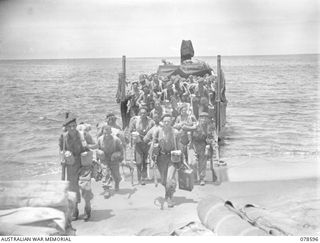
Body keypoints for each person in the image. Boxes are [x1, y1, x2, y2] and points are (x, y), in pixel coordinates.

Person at [59, 114, 94, 221]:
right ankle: (75, 209)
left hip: (84, 164)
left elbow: (96, 145)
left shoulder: (84, 135)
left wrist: (87, 146)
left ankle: (87, 205)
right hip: (71, 165)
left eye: (74, 125)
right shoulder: (63, 137)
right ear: (66, 128)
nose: (73, 128)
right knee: (73, 189)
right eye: (70, 127)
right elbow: (61, 150)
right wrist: (64, 156)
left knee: (86, 187)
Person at [152, 114, 181, 207]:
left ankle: (169, 197)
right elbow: (153, 146)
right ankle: (168, 191)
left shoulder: (175, 132)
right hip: (161, 158)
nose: (166, 123)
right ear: (162, 122)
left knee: (169, 179)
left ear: (171, 122)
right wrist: (153, 158)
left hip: (172, 157)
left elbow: (179, 147)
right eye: (164, 121)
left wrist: (182, 160)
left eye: (168, 121)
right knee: (164, 181)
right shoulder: (157, 132)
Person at [182, 112, 215, 186]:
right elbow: (183, 127)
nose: (204, 119)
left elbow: (210, 137)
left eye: (205, 118)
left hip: (203, 145)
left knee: (202, 163)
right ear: (199, 118)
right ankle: (194, 178)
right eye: (202, 118)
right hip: (193, 144)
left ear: (207, 119)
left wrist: (208, 145)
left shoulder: (209, 127)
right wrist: (193, 128)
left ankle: (202, 178)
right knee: (192, 163)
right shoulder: (194, 124)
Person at [128, 106, 155, 185]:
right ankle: (139, 177)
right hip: (138, 143)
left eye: (144, 113)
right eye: (141, 113)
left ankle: (143, 178)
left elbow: (154, 132)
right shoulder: (135, 121)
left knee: (144, 161)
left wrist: (152, 141)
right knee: (139, 162)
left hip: (147, 144)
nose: (143, 114)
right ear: (139, 113)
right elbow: (130, 131)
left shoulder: (151, 122)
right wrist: (132, 139)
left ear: (147, 113)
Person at [97, 124, 124, 191]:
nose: (106, 135)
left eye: (108, 133)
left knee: (116, 174)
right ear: (103, 132)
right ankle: (106, 189)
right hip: (104, 159)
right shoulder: (100, 139)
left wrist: (120, 157)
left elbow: (121, 150)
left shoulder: (116, 140)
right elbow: (97, 149)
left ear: (111, 132)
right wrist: (98, 158)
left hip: (114, 159)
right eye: (105, 133)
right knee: (105, 173)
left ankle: (117, 183)